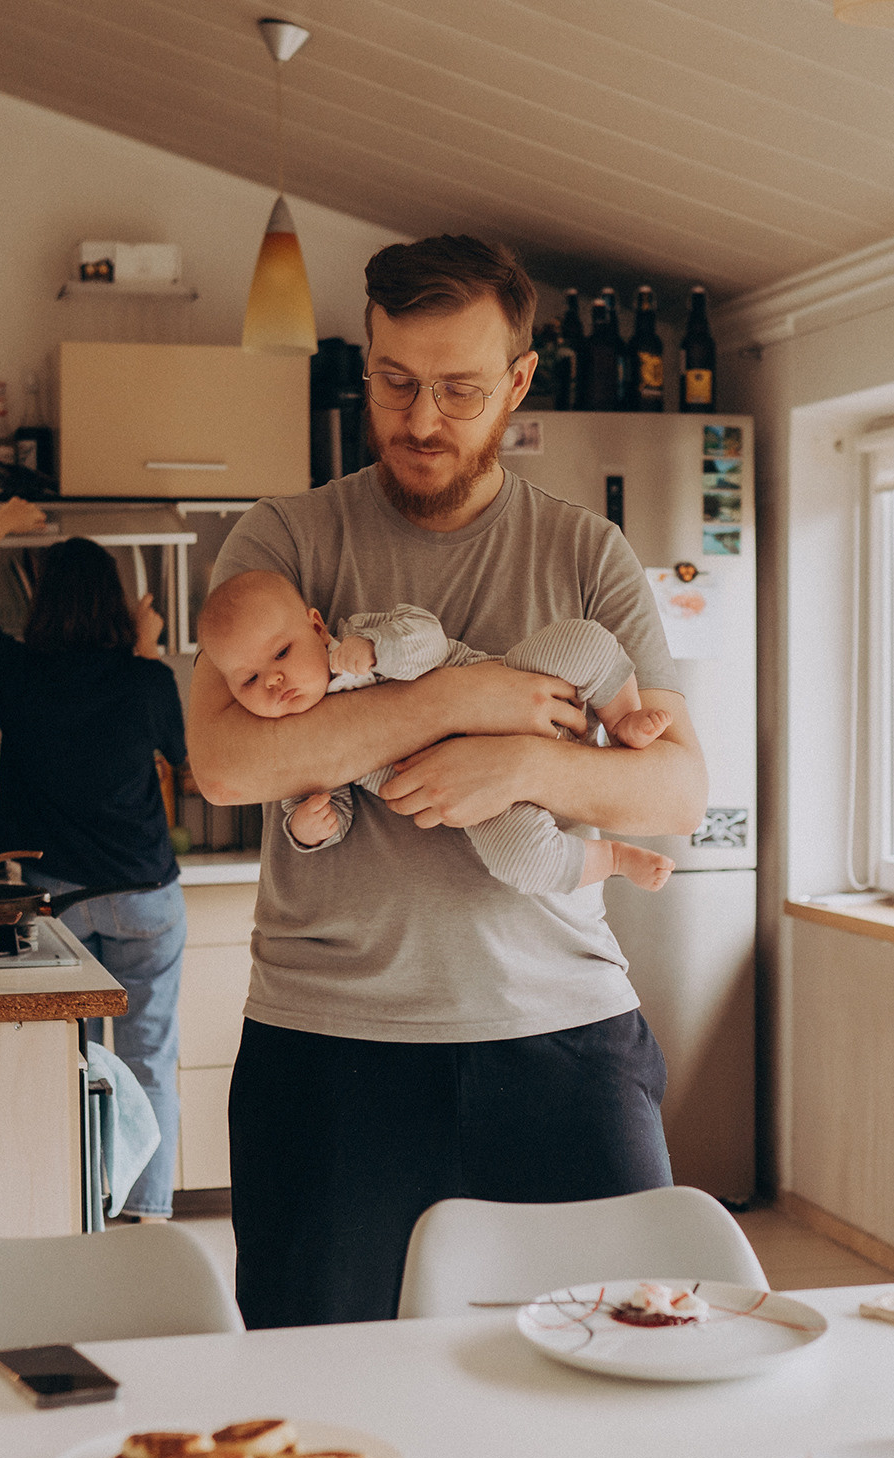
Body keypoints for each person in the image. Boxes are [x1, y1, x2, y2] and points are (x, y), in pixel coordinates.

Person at [186, 236, 709, 1327]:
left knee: (622, 1366)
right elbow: (228, 762)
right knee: (322, 1386)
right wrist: (454, 701)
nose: (421, 420)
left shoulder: (586, 553)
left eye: (459, 390)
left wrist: (520, 761)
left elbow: (676, 794)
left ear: (518, 382)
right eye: (394, 382)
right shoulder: (282, 541)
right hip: (329, 1046)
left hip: (565, 1035)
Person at [0, 501, 187, 1221]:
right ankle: (144, 1214)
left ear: (41, 605)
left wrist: (1, 523)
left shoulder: (17, 673)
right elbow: (185, 759)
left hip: (57, 905)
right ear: (117, 606)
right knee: (148, 1060)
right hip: (146, 897)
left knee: (66, 1062)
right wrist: (146, 651)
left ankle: (76, 1210)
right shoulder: (148, 680)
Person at [196, 570, 675, 893]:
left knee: (582, 640)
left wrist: (376, 648)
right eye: (249, 680)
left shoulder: (358, 636)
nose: (273, 681)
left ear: (317, 628)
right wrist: (306, 828)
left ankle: (622, 719)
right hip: (490, 805)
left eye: (281, 654)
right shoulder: (289, 741)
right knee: (520, 862)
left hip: (524, 686)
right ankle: (613, 860)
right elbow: (329, 807)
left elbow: (426, 635)